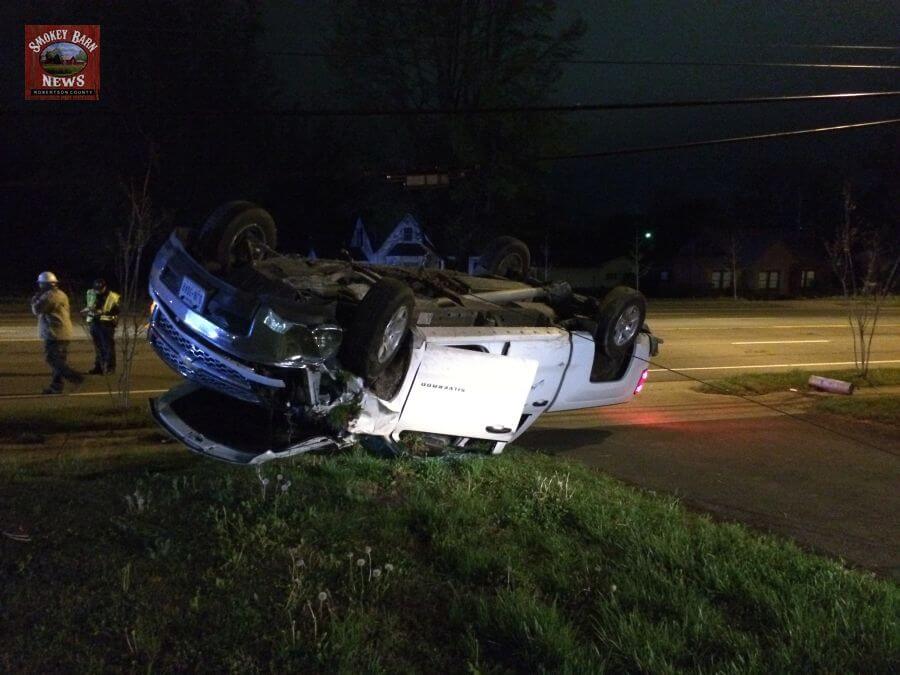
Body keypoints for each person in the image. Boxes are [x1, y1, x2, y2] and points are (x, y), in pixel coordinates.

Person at [30, 271, 84, 394]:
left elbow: (37, 309)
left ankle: (76, 378)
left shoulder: (51, 296)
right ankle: (57, 386)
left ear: (45, 284)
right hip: (60, 332)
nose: (39, 286)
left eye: (41, 284)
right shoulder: (58, 294)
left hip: (55, 333)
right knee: (59, 361)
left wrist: (35, 299)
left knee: (52, 359)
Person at [82, 278, 120, 374]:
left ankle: (110, 368)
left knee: (108, 347)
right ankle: (99, 367)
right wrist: (87, 310)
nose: (98, 291)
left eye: (100, 289)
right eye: (96, 289)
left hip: (107, 325)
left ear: (105, 287)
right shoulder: (91, 293)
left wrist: (101, 312)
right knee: (98, 347)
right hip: (94, 323)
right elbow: (88, 304)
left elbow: (116, 311)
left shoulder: (112, 297)